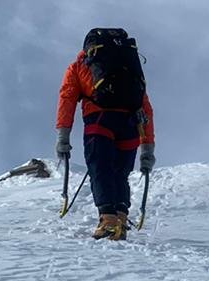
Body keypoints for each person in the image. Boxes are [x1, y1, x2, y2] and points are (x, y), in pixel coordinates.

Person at [56, 29, 155, 239]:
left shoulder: (79, 66)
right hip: (130, 125)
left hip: (99, 121)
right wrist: (147, 149)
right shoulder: (129, 69)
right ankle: (120, 218)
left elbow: (67, 99)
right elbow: (145, 107)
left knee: (100, 169)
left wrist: (63, 137)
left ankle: (108, 221)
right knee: (120, 174)